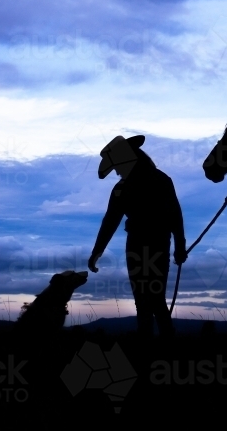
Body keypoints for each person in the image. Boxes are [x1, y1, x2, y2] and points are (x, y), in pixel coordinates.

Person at [88, 135, 186, 338]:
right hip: (153, 243)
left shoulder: (131, 187)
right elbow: (111, 221)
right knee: (151, 299)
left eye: (116, 166)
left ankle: (151, 345)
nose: (115, 171)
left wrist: (180, 246)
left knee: (147, 299)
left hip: (144, 244)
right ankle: (162, 343)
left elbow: (111, 221)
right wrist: (179, 245)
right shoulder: (158, 180)